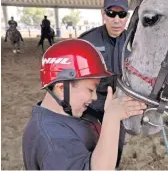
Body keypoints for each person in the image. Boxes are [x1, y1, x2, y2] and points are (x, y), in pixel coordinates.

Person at [22, 39, 146, 170]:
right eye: (91, 90)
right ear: (62, 88)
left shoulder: (73, 113)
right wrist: (111, 119)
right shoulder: (52, 141)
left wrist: (112, 117)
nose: (95, 97)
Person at [78, 0, 130, 167]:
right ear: (103, 14)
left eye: (122, 14)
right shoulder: (87, 41)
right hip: (91, 106)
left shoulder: (135, 42)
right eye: (111, 13)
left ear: (127, 16)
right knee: (89, 144)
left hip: (119, 105)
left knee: (116, 145)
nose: (117, 19)